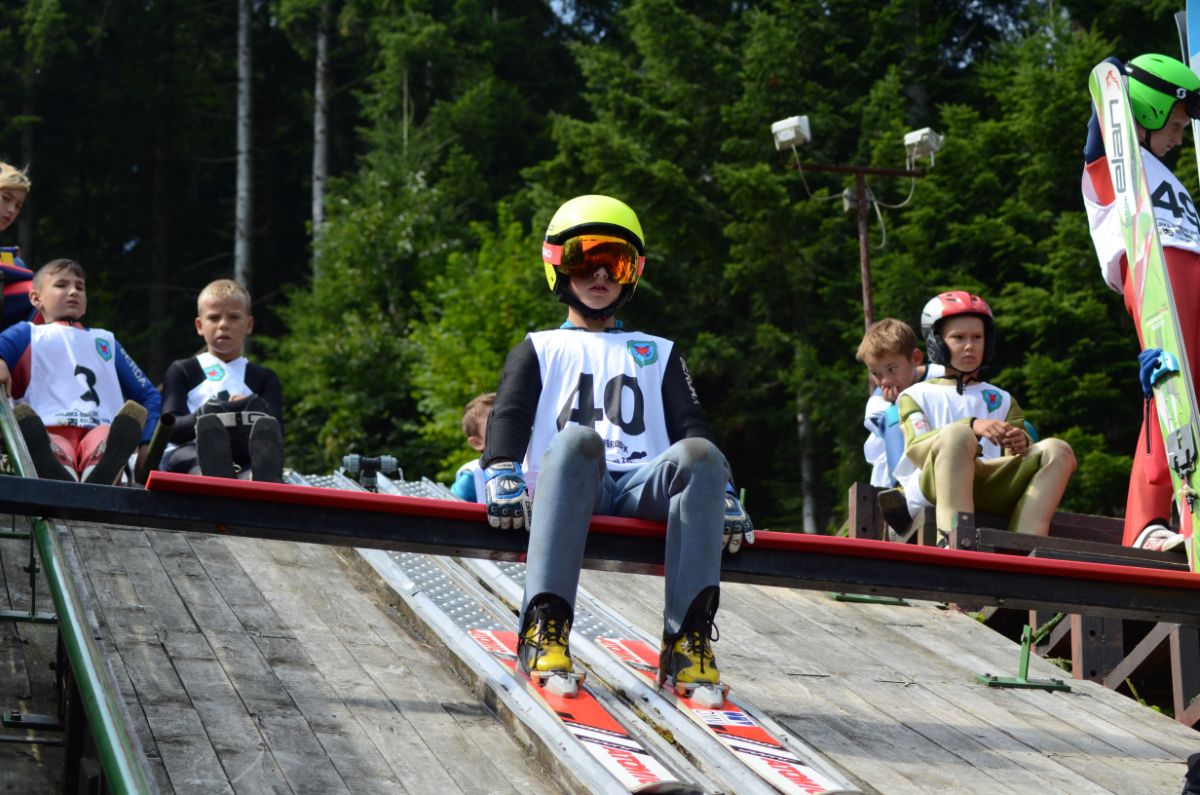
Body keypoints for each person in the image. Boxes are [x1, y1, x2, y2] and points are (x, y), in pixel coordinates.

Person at [480, 194, 753, 704]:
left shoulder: (658, 351)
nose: (601, 275)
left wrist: (725, 491)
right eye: (586, 260)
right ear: (558, 265)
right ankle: (545, 629)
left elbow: (692, 425)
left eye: (617, 262)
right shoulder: (539, 347)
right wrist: (500, 467)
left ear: (634, 272)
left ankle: (686, 644)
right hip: (567, 482)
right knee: (579, 439)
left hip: (639, 485)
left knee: (702, 455)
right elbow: (511, 415)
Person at [1082, 54, 1200, 551]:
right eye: (1175, 124)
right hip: (1155, 264)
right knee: (1175, 381)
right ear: (1147, 111)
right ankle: (1147, 521)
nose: (1179, 138)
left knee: (1194, 389)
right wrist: (1119, 79)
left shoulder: (1166, 175)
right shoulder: (1114, 161)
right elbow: (1104, 91)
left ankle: (1180, 517)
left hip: (1190, 263)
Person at [893, 291, 1076, 540]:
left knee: (1058, 450)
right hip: (935, 485)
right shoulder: (915, 395)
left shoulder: (1002, 399)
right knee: (958, 435)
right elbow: (916, 449)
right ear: (936, 342)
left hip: (991, 484)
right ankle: (952, 540)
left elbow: (1018, 456)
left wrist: (1020, 443)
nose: (970, 345)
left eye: (978, 337)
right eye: (958, 337)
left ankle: (1026, 544)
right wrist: (971, 425)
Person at [0, 258, 160, 483]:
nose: (73, 291)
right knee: (48, 442)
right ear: (36, 298)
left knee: (107, 436)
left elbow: (149, 395)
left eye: (80, 287)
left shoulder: (107, 341)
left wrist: (147, 441)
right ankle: (59, 468)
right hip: (48, 426)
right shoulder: (26, 333)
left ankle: (99, 468)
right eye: (61, 285)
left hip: (100, 427)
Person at [160, 279, 284, 482]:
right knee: (197, 462)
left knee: (257, 467)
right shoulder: (183, 370)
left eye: (234, 317)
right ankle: (214, 473)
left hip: (246, 454)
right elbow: (170, 429)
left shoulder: (264, 377)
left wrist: (249, 411)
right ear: (200, 325)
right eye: (214, 317)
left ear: (249, 325)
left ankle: (255, 480)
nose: (223, 324)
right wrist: (211, 412)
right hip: (190, 451)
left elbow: (275, 432)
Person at [856, 318, 939, 489]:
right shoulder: (878, 403)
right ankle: (901, 488)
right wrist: (897, 404)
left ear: (915, 358)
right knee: (892, 415)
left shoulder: (941, 377)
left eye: (892, 369)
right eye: (876, 374)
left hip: (942, 456)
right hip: (895, 474)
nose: (885, 381)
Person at [0, 162, 36, 330]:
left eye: (18, 206)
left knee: (46, 296)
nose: (11, 210)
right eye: (6, 198)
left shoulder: (13, 260)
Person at [450, 392, 494, 501]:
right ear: (477, 442)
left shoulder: (536, 463)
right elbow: (450, 511)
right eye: (495, 424)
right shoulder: (473, 477)